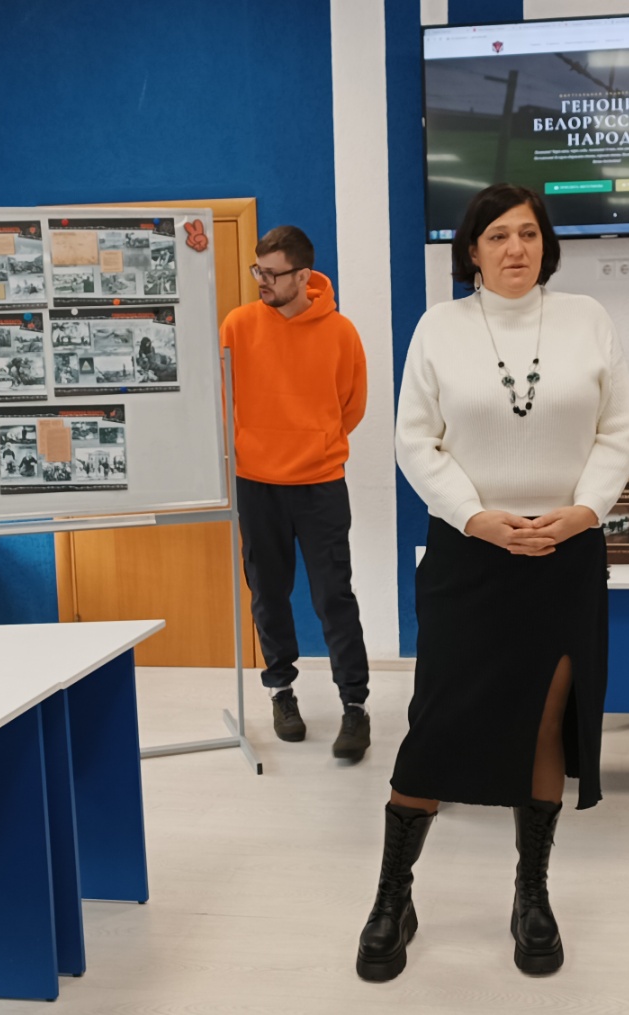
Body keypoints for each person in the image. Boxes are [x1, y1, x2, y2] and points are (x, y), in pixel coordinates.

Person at [358, 183, 629, 981]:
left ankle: (531, 892)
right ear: (472, 251)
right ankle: (393, 894)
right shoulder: (438, 329)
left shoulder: (588, 319)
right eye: (497, 236)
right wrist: (474, 516)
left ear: (546, 244)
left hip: (564, 555)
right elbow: (416, 441)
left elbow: (619, 431)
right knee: (436, 725)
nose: (515, 247)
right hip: (469, 554)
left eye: (528, 233)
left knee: (544, 723)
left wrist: (585, 511)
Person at [220, 225, 372, 761]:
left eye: (272, 273)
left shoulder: (341, 332)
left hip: (320, 484)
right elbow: (222, 396)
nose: (261, 280)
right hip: (256, 483)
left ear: (303, 275)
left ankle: (355, 706)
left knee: (334, 596)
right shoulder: (238, 325)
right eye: (257, 270)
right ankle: (281, 693)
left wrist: (314, 444)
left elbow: (351, 406)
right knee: (268, 592)